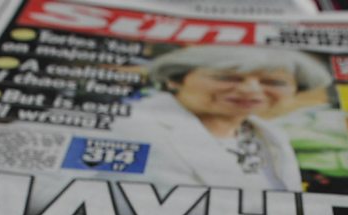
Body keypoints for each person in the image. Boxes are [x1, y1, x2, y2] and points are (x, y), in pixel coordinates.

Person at [117, 46, 332, 190]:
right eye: (226, 78)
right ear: (174, 80)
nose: (251, 90)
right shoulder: (130, 126)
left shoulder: (271, 135)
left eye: (273, 82)